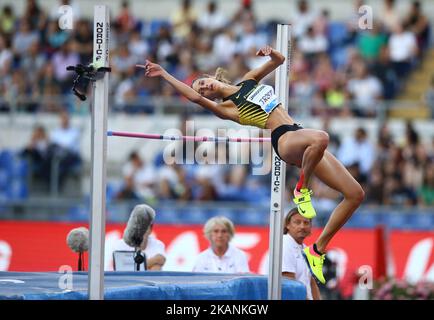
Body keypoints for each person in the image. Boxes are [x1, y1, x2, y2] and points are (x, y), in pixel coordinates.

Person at [136, 44, 365, 284]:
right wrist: (164, 74)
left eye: (202, 83)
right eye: (202, 91)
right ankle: (302, 189)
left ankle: (317, 250)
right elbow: (192, 97)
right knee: (321, 137)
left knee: (355, 194)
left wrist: (270, 52)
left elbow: (279, 60)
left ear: (210, 77)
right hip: (284, 139)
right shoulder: (226, 108)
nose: (203, 88)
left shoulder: (247, 80)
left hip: (298, 133)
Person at [282, 208, 321, 300]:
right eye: (297, 222)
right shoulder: (284, 244)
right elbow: (290, 283)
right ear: (288, 225)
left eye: (306, 223)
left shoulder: (305, 248)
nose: (302, 226)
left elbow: (312, 282)